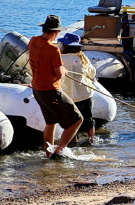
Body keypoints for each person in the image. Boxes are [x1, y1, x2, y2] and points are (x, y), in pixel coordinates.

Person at [29, 15, 82, 158]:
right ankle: (59, 150)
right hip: (51, 90)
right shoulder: (53, 50)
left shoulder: (33, 40)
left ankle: (48, 152)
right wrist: (64, 70)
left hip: (37, 89)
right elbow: (59, 74)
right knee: (77, 119)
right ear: (56, 32)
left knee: (50, 122)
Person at [58, 33, 98, 145]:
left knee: (71, 120)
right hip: (85, 94)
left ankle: (73, 142)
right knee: (88, 118)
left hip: (68, 95)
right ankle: (92, 139)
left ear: (64, 45)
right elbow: (92, 73)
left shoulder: (59, 58)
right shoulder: (82, 58)